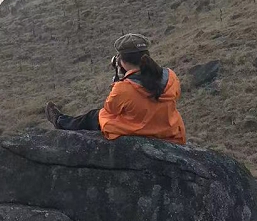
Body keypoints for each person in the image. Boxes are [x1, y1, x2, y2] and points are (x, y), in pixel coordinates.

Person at [45, 33, 186, 144]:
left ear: (122, 61)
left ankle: (60, 121)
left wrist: (119, 80)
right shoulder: (170, 76)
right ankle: (61, 121)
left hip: (141, 130)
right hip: (170, 131)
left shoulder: (124, 88)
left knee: (95, 116)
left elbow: (110, 108)